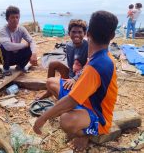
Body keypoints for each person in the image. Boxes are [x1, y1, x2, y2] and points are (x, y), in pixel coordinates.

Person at [33, 10, 118, 152]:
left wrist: (43, 118)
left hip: (98, 114)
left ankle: (84, 134)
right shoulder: (103, 55)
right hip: (85, 98)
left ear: (88, 33)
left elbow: (72, 100)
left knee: (66, 120)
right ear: (112, 36)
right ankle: (69, 112)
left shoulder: (97, 65)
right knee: (51, 82)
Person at [38, 19, 88, 100]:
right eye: (74, 32)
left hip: (83, 78)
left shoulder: (88, 46)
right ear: (69, 33)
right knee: (53, 64)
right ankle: (49, 92)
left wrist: (75, 79)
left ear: (84, 33)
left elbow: (89, 67)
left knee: (65, 97)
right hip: (72, 75)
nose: (76, 35)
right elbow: (71, 66)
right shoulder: (69, 46)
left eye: (80, 32)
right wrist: (68, 79)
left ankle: (67, 100)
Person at [0, 6, 37, 75]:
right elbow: (8, 46)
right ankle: (6, 69)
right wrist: (24, 45)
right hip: (4, 58)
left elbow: (32, 41)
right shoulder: (3, 30)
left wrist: (34, 54)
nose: (15, 19)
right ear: (7, 19)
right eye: (12, 17)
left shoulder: (21, 29)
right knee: (4, 47)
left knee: (29, 48)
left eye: (17, 17)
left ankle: (20, 66)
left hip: (16, 55)